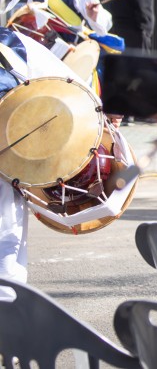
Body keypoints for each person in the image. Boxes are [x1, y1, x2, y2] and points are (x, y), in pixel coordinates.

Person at [0, 26, 89, 288]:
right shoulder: (11, 43)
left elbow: (67, 86)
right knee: (6, 260)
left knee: (6, 260)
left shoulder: (11, 43)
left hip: (7, 166)